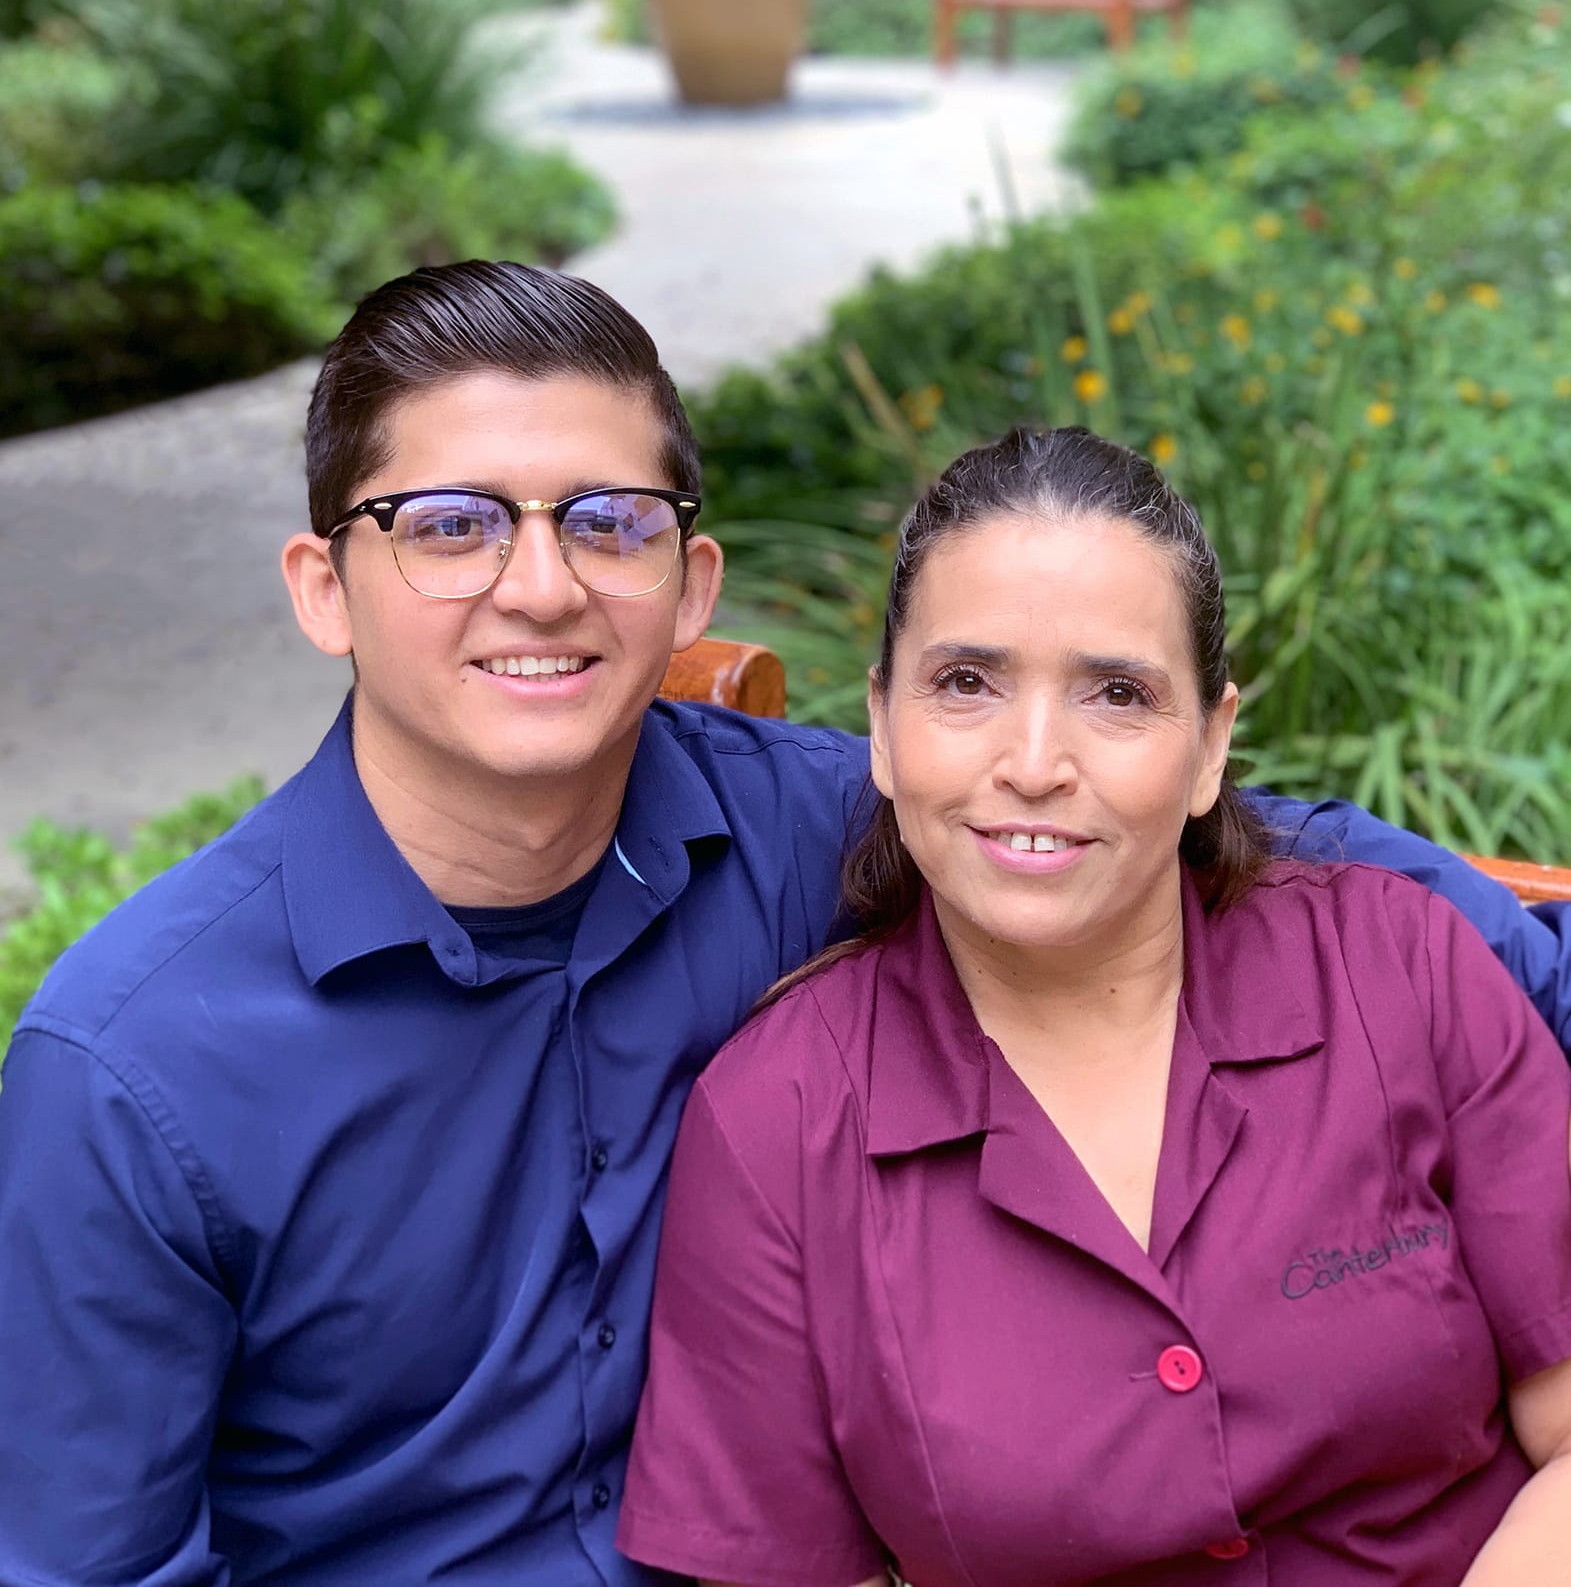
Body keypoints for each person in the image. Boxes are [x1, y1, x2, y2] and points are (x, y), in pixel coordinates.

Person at [0, 265, 1565, 1587]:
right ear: (324, 587)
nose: (538, 586)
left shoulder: (839, 824)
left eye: (605, 521)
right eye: (449, 524)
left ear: (689, 584)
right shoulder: (135, 1073)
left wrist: (1481, 983)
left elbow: (1181, 841)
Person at [618, 426, 1571, 1587]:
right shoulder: (776, 1121)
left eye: (1116, 694)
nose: (1033, 763)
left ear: (1210, 745)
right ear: (881, 726)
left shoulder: (1400, 965)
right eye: (964, 683)